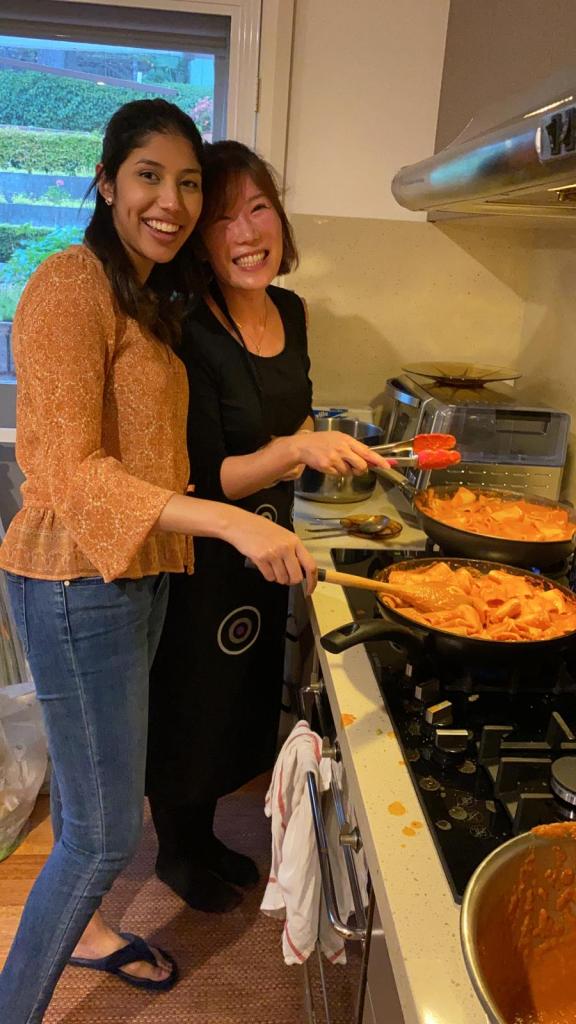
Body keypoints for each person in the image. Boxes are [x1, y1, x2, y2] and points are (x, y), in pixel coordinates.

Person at [0, 103, 318, 1024]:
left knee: (97, 787)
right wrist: (229, 522)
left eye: (188, 184)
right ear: (107, 183)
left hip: (136, 574)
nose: (172, 202)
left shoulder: (148, 294)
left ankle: (92, 934)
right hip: (73, 582)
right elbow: (64, 471)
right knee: (102, 837)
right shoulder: (70, 284)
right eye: (150, 176)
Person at [146, 140, 390, 914]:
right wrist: (292, 449)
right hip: (208, 551)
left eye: (258, 209)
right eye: (221, 219)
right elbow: (209, 473)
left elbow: (299, 414)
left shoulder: (291, 311)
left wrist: (324, 446)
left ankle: (208, 832)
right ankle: (175, 853)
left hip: (272, 546)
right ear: (199, 240)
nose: (246, 232)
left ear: (279, 219)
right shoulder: (191, 332)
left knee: (241, 696)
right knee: (191, 697)